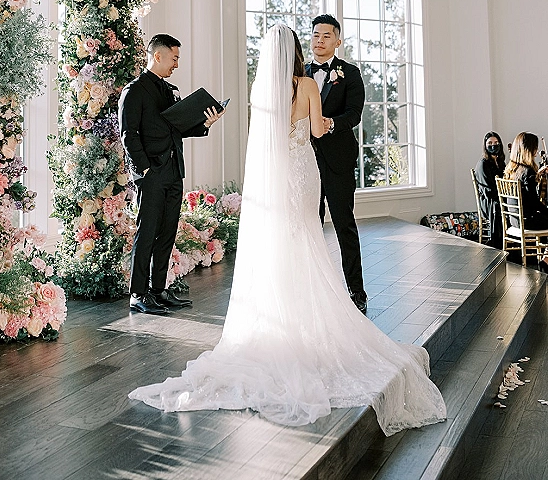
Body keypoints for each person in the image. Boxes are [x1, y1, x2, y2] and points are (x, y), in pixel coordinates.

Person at [128, 24, 446, 435]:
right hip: (303, 171)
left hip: (277, 179)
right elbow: (316, 130)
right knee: (308, 238)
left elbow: (265, 142)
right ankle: (312, 321)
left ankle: (282, 323)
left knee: (282, 245)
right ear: (297, 51)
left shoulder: (261, 91)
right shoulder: (307, 84)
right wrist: (327, 124)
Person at [119, 34, 224, 315]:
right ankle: (138, 295)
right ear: (158, 56)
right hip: (151, 174)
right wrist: (144, 169)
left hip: (174, 171)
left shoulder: (170, 90)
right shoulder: (134, 91)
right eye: (174, 58)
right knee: (147, 233)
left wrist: (205, 123)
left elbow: (178, 128)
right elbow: (128, 135)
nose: (177, 64)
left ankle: (158, 291)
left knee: (167, 233)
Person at [305, 14, 367, 313]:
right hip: (306, 160)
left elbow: (354, 114)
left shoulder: (350, 73)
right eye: (316, 35)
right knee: (310, 225)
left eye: (326, 36)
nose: (319, 40)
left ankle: (356, 290)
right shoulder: (299, 73)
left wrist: (331, 124)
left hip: (338, 160)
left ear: (337, 41)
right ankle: (314, 291)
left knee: (344, 225)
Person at [504, 132, 548, 231]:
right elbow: (534, 203)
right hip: (527, 221)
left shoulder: (513, 169)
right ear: (528, 150)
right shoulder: (528, 172)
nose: (537, 151)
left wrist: (537, 176)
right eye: (535, 147)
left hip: (514, 220)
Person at [474, 131, 506, 249]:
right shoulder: (483, 164)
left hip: (499, 197)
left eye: (496, 143)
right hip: (488, 201)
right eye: (490, 143)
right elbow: (488, 190)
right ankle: (497, 243)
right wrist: (503, 199)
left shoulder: (500, 163)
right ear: (485, 146)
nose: (493, 145)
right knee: (498, 207)